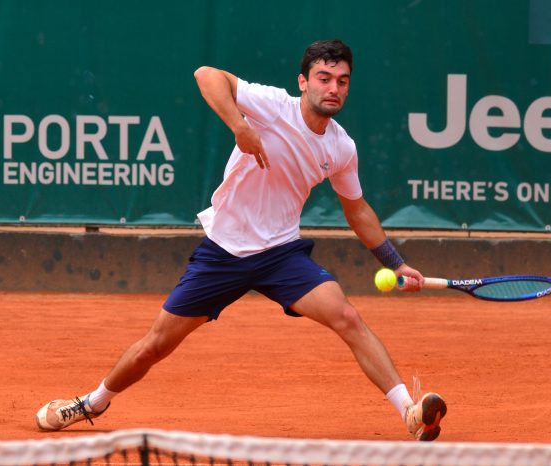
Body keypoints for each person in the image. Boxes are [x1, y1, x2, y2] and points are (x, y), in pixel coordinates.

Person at [35, 39, 447, 441]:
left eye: (342, 81)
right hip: (224, 252)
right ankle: (92, 403)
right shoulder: (273, 106)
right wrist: (240, 126)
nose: (333, 88)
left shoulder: (341, 147)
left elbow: (357, 210)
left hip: (281, 254)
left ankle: (409, 412)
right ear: (303, 82)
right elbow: (206, 75)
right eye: (324, 78)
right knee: (154, 347)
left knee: (348, 317)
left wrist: (395, 263)